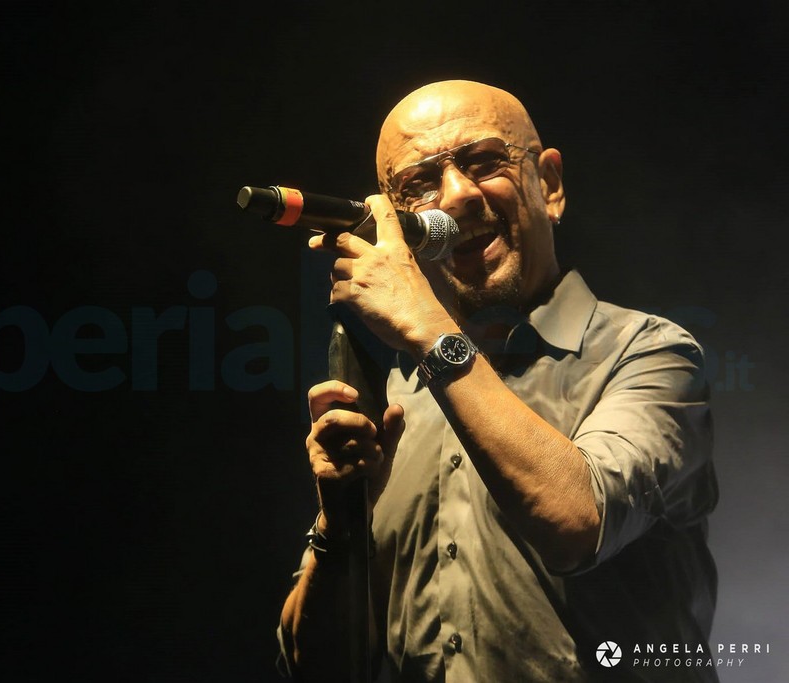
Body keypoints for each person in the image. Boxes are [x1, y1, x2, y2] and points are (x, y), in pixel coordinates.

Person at [276, 80, 719, 682]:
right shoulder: (396, 400)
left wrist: (427, 328)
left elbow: (578, 526)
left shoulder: (650, 354)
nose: (457, 195)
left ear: (550, 185)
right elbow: (313, 668)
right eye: (420, 183)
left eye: (484, 162)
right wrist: (339, 522)